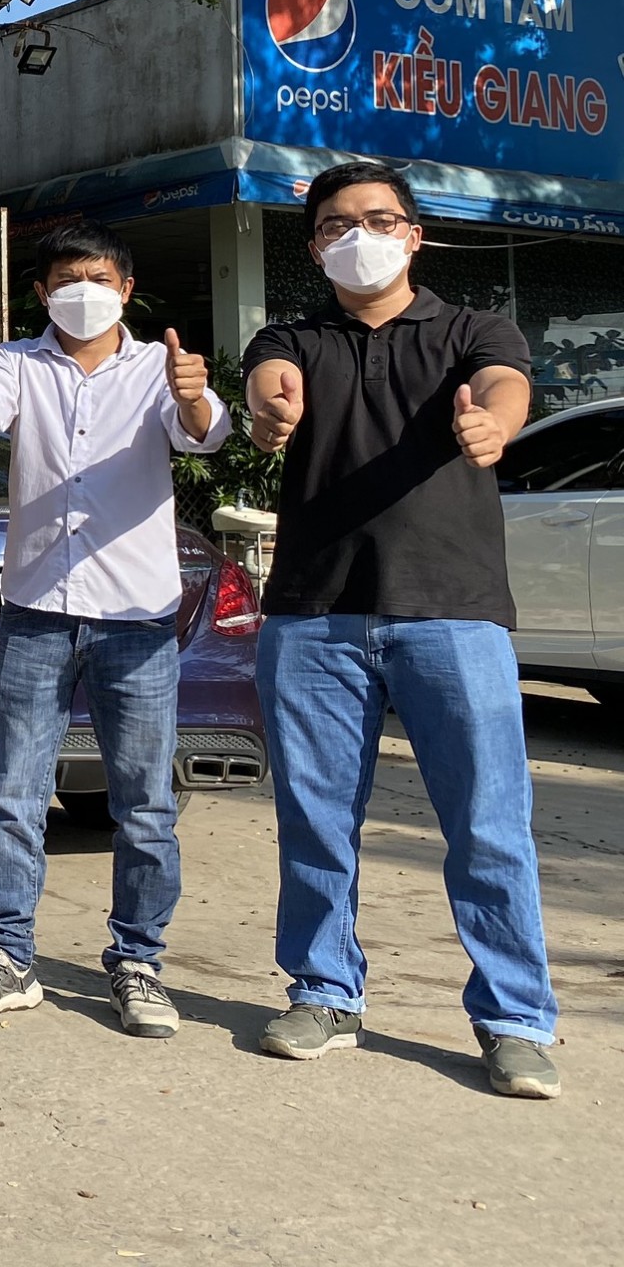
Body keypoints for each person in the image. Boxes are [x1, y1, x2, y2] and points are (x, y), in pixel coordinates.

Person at [241, 160, 560, 1099]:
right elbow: (270, 381)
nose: (359, 237)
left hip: (452, 612)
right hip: (315, 615)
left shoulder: (473, 330)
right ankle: (323, 990)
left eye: (378, 220)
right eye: (336, 225)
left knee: (488, 825)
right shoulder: (293, 335)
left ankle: (513, 1018)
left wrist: (494, 425)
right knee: (315, 823)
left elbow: (505, 384)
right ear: (314, 248)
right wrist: (270, 408)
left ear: (415, 235)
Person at [0, 224, 228, 1037]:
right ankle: (8, 957)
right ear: (42, 293)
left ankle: (138, 963)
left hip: (136, 619)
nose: (83, 291)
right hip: (37, 611)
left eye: (98, 278)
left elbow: (201, 431)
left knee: (145, 805)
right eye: (66, 279)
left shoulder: (160, 368)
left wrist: (193, 393)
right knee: (14, 794)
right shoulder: (16, 363)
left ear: (126, 290)